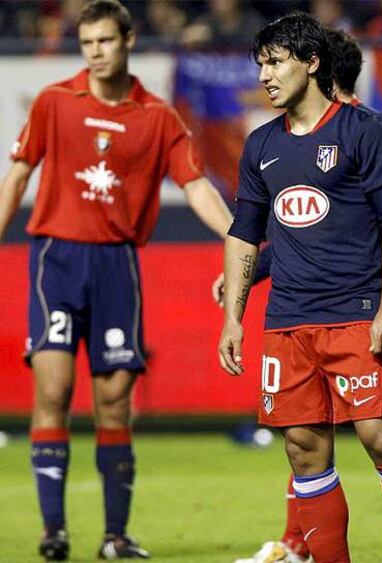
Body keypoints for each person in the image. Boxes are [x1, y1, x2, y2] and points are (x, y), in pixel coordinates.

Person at [0, 1, 233, 561]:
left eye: (106, 41)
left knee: (114, 400)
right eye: (88, 43)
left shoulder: (156, 117)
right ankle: (52, 530)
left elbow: (195, 184)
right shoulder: (55, 101)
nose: (97, 52)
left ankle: (115, 536)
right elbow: (18, 174)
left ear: (128, 40)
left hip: (117, 265)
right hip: (57, 259)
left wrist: (235, 239)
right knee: (52, 391)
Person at [219, 12, 382, 563]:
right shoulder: (260, 146)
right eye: (261, 64)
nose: (266, 75)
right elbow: (244, 235)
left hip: (356, 313)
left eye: (276, 62)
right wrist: (234, 317)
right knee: (304, 451)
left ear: (312, 62)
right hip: (287, 323)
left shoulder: (365, 132)